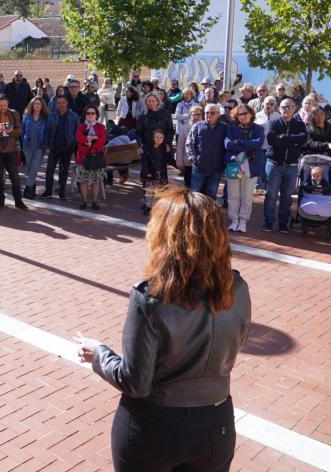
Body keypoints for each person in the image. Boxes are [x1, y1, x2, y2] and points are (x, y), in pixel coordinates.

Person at [79, 186, 250, 472]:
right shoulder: (238, 288)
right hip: (215, 422)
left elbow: (136, 382)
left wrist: (99, 354)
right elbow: (237, 344)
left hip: (153, 424)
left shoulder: (150, 295)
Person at [262, 99, 308, 233]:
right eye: (283, 107)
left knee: (287, 196)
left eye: (289, 107)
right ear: (279, 108)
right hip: (274, 164)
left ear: (295, 109)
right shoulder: (273, 123)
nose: (286, 109)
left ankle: (283, 223)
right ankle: (269, 222)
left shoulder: (300, 124)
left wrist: (284, 137)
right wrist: (293, 142)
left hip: (291, 166)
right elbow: (271, 139)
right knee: (271, 195)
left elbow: (303, 139)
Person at [224, 104, 265, 233]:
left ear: (251, 114)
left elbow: (258, 143)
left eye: (245, 113)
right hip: (235, 164)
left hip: (251, 166)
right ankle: (234, 220)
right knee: (233, 194)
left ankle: (243, 221)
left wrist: (240, 142)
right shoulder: (232, 128)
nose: (243, 116)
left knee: (246, 196)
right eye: (240, 114)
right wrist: (248, 146)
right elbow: (228, 144)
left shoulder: (258, 128)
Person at [0, 94, 26, 210]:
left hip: (10, 150)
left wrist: (11, 131)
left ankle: (18, 201)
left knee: (15, 177)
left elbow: (20, 130)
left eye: (4, 105)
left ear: (8, 103)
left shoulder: (14, 113)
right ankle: (0, 201)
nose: (3, 107)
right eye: (0, 105)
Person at [185, 104, 228, 199]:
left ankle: (209, 209)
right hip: (199, 168)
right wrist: (193, 160)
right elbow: (189, 144)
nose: (208, 115)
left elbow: (228, 146)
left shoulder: (225, 128)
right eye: (206, 112)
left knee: (211, 194)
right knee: (194, 194)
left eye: (212, 113)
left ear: (218, 114)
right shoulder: (197, 126)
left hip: (216, 169)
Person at [41, 95, 79, 199]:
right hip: (53, 147)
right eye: (59, 103)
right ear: (56, 104)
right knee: (49, 170)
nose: (61, 105)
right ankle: (48, 191)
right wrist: (46, 146)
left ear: (67, 103)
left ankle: (61, 190)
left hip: (67, 147)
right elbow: (47, 131)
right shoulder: (52, 116)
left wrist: (73, 144)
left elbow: (77, 131)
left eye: (63, 102)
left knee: (64, 171)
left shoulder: (74, 116)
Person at [75, 105, 107, 210]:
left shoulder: (101, 127)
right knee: (83, 181)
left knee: (96, 181)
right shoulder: (81, 126)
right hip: (83, 158)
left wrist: (92, 143)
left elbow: (102, 139)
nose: (90, 115)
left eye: (92, 113)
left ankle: (94, 202)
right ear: (85, 115)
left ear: (96, 115)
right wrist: (90, 138)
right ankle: (84, 201)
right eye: (88, 113)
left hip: (96, 158)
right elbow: (78, 138)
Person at [140, 129, 174, 214]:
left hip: (161, 174)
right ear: (153, 138)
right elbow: (144, 161)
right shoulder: (146, 147)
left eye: (161, 137)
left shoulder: (164, 148)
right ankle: (148, 207)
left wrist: (178, 165)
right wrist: (147, 172)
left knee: (160, 191)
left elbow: (170, 159)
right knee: (149, 191)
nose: (159, 139)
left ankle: (157, 206)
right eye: (157, 137)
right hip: (150, 173)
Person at [21, 97, 49, 199]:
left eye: (39, 104)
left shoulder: (46, 118)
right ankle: (32, 188)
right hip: (27, 146)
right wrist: (23, 143)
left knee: (34, 168)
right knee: (29, 168)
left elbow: (48, 133)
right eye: (35, 103)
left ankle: (27, 189)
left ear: (42, 106)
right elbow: (22, 131)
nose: (37, 105)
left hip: (40, 147)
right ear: (32, 105)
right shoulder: (26, 116)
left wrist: (47, 145)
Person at [176, 105, 202, 188]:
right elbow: (180, 147)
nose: (196, 117)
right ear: (190, 115)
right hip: (188, 163)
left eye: (198, 115)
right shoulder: (184, 128)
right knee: (188, 187)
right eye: (194, 114)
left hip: (202, 163)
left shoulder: (205, 127)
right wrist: (179, 163)